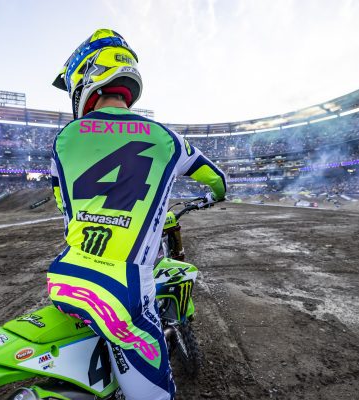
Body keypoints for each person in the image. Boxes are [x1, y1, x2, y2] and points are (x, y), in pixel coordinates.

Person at [47, 29, 226, 400]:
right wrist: (215, 196)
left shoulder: (63, 139)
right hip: (123, 291)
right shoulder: (167, 138)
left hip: (64, 278)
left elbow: (62, 202)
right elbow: (217, 178)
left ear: (85, 77)